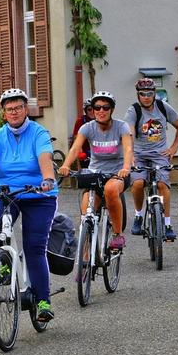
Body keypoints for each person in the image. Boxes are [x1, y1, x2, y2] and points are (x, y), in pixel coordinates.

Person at [0, 88, 58, 322]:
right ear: (3, 113)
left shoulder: (38, 132)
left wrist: (48, 178)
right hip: (7, 192)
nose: (14, 112)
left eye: (18, 108)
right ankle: (5, 261)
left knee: (34, 248)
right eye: (9, 109)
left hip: (39, 194)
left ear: (26, 109)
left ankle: (43, 301)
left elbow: (45, 158)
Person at [58, 91, 132, 250]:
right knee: (86, 213)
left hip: (117, 173)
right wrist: (66, 165)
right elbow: (75, 148)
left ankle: (118, 235)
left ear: (112, 110)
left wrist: (126, 167)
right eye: (97, 107)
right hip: (95, 174)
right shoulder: (87, 128)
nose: (101, 111)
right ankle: (85, 258)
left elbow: (128, 148)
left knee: (110, 190)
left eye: (105, 107)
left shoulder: (121, 126)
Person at [124, 78, 178, 241]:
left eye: (149, 93)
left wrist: (174, 148)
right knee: (138, 183)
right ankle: (138, 216)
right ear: (138, 95)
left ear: (154, 94)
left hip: (160, 155)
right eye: (142, 94)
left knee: (162, 185)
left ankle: (167, 224)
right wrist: (130, 154)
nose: (146, 97)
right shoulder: (133, 110)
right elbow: (129, 133)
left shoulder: (162, 107)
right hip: (139, 154)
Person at [70, 99, 94, 168]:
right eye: (89, 109)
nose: (92, 112)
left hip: (97, 152)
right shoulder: (80, 121)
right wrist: (80, 152)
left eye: (94, 109)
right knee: (84, 171)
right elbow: (76, 139)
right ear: (86, 111)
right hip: (85, 152)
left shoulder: (100, 121)